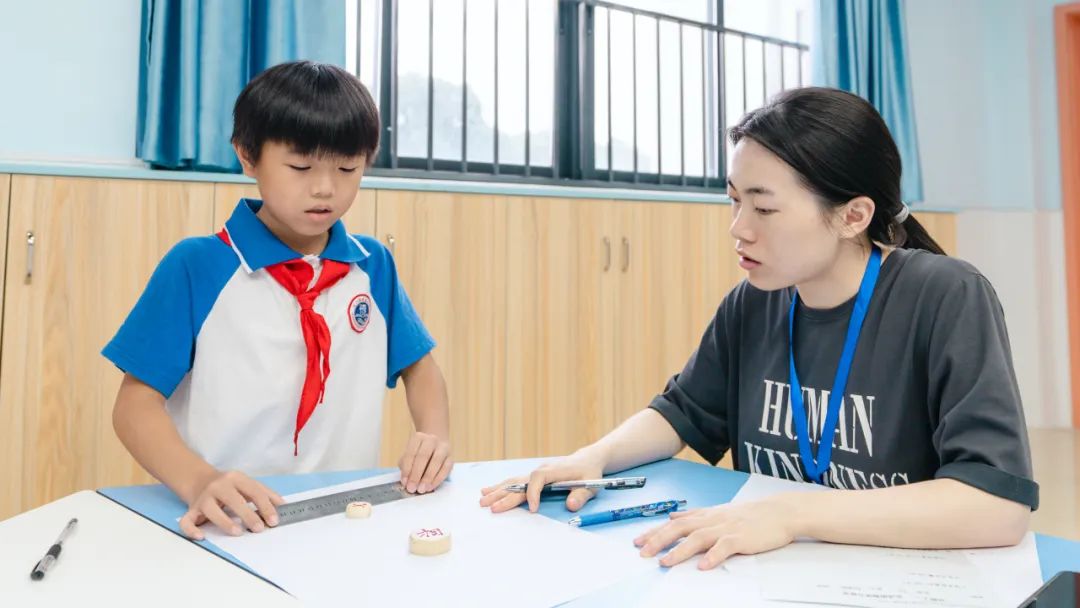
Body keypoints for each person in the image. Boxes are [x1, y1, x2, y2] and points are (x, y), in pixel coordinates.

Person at [480, 87, 1037, 570]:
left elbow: (996, 505)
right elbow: (682, 413)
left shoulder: (945, 296)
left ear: (853, 216)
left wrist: (792, 513)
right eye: (733, 200)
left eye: (764, 210)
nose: (738, 228)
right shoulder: (754, 302)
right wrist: (592, 458)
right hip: (769, 575)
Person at [104, 61, 452, 540]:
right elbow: (134, 407)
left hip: (343, 519)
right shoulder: (198, 265)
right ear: (248, 157)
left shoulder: (372, 266)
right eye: (301, 166)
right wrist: (200, 481)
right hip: (226, 521)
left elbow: (420, 369)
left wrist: (433, 437)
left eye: (347, 168)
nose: (325, 187)